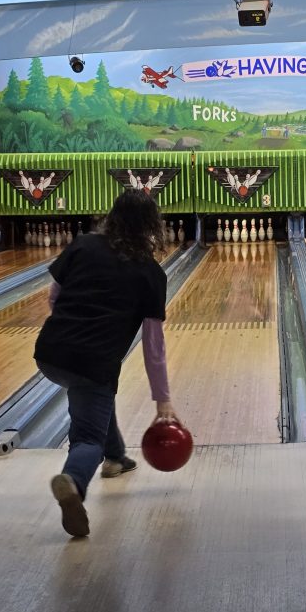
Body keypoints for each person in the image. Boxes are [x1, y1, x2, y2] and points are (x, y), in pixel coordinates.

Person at [34, 190, 178, 538]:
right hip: (92, 363)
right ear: (152, 226)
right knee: (87, 438)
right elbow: (153, 346)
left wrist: (72, 328)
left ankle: (116, 457)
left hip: (50, 351)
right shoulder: (150, 274)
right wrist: (163, 399)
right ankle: (74, 481)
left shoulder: (83, 245)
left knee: (93, 399)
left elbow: (53, 296)